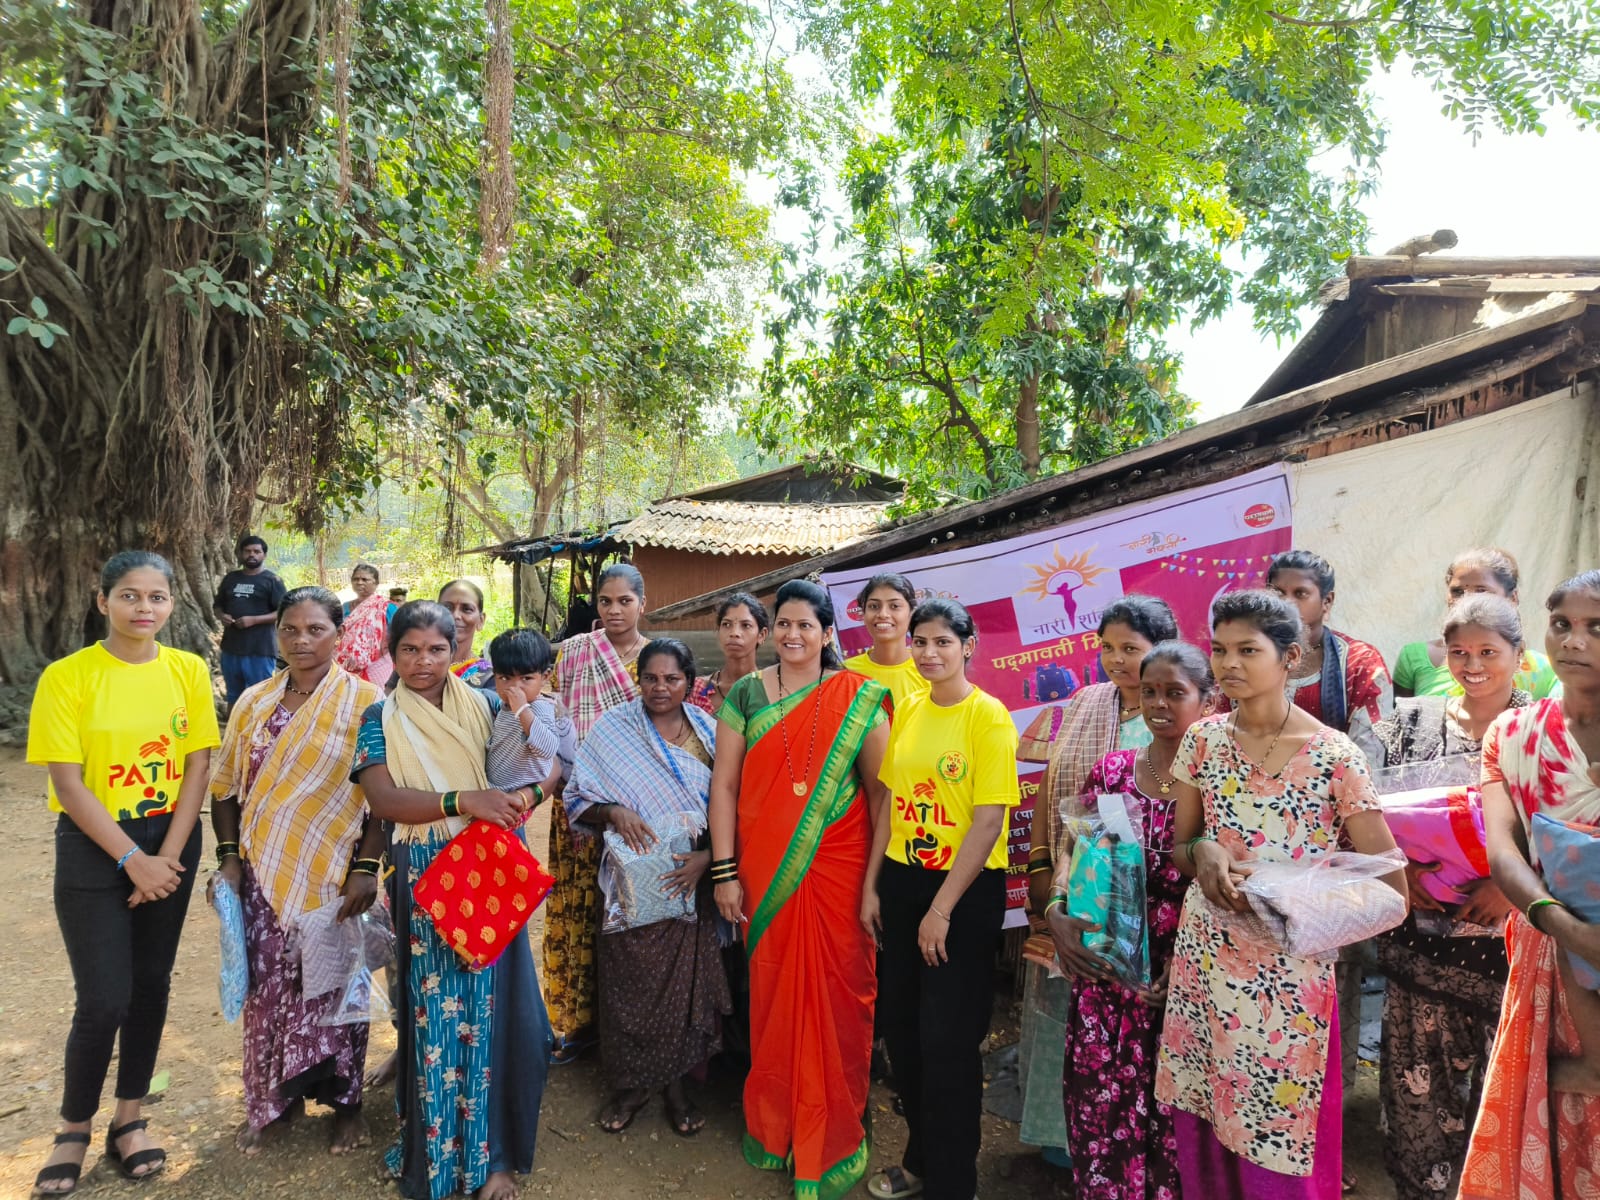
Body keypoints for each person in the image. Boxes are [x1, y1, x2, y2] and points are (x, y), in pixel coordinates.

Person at [1157, 589, 1403, 1198]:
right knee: (1210, 1109)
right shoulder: (1203, 741)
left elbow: (1390, 887)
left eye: (1248, 650)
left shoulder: (1335, 756)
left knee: (1279, 1125)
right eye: (1219, 650)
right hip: (1206, 961)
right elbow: (1180, 846)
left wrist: (1289, 896)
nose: (1228, 664)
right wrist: (1204, 853)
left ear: (1290, 658)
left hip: (1288, 977)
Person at [27, 551, 221, 1196]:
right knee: (103, 997)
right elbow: (68, 783)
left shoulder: (188, 670)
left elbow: (197, 766)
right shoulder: (67, 676)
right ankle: (73, 1128)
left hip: (170, 840)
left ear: (172, 604)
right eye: (130, 595)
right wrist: (133, 861)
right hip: (94, 844)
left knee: (149, 986)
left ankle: (129, 1118)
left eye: (157, 597)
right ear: (103, 600)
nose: (144, 608)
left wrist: (166, 856)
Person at [351, 601, 552, 1200]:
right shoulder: (379, 717)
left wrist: (523, 799)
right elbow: (383, 799)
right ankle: (438, 1158)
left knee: (505, 1012)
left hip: (490, 866)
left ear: (455, 648)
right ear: (391, 653)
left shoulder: (489, 704)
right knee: (437, 1017)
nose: (423, 662)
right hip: (425, 873)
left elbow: (550, 763)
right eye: (409, 650)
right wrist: (465, 801)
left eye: (436, 649)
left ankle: (496, 1158)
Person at [710, 579, 891, 1200]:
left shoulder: (857, 697)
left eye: (804, 625)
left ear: (827, 633)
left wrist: (873, 886)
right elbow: (724, 787)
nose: (792, 635)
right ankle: (777, 1124)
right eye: (783, 624)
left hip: (841, 870)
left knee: (839, 990)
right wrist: (725, 872)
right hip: (765, 871)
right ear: (770, 631)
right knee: (773, 990)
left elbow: (881, 796)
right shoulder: (746, 694)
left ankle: (833, 1130)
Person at [209, 587, 384, 1156]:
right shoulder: (254, 702)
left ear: (339, 633)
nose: (301, 641)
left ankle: (348, 1107)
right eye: (290, 629)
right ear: (276, 632)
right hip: (262, 875)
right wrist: (229, 860)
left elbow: (382, 797)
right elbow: (224, 789)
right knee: (267, 994)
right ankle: (272, 1104)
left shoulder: (366, 701)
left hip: (335, 876)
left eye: (315, 630)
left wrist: (365, 867)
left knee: (337, 990)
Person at [861, 599, 1017, 1200]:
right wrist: (874, 885)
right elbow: (890, 805)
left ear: (968, 646)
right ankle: (921, 1161)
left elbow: (987, 823)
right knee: (905, 1034)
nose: (928, 653)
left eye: (942, 642)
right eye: (920, 641)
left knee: (948, 1043)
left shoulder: (988, 718)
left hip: (962, 893)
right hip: (903, 882)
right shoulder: (909, 708)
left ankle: (954, 1184)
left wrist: (942, 909)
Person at [1373, 594, 1527, 1200]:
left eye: (1489, 652)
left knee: (1503, 1099)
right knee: (1418, 1099)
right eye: (1460, 652)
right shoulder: (1409, 723)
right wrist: (1401, 869)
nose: (1473, 665)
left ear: (1518, 654)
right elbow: (1364, 811)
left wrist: (1511, 886)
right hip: (1421, 948)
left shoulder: (1543, 728)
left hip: (1508, 953)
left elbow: (1575, 826)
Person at [1049, 640, 1215, 1200]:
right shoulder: (1113, 772)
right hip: (1108, 969)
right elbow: (1076, 851)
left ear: (1207, 700)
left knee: (1173, 1123)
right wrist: (1056, 911)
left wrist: (1184, 968)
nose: (1159, 704)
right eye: (1150, 692)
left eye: (1175, 692)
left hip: (1182, 975)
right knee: (1100, 1108)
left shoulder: (1219, 783)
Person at [1019, 594, 1179, 1164]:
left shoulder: (1190, 719)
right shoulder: (1088, 702)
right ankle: (1067, 1142)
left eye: (1130, 649)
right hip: (1080, 891)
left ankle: (1133, 1155)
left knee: (1139, 1028)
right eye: (1107, 647)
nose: (1116, 660)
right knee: (1071, 1013)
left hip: (1153, 908)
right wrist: (1043, 870)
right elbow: (1053, 789)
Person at [1459, 569, 1600, 1200]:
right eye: (1562, 624)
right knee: (1552, 1121)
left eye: (1596, 627)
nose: (1574, 640)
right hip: (1550, 956)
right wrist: (1567, 928)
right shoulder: (1513, 734)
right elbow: (1504, 853)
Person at [564, 639, 731, 1137]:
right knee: (627, 986)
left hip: (692, 882)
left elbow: (735, 803)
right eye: (651, 679)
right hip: (629, 888)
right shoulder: (613, 730)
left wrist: (709, 860)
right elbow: (577, 797)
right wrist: (614, 811)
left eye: (672, 679)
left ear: (689, 683)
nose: (661, 688)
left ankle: (676, 1090)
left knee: (682, 989)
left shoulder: (709, 732)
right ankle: (632, 1087)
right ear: (638, 681)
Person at [546, 562, 649, 1063]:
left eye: (624, 601)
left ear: (642, 604)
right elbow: (550, 716)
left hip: (635, 809)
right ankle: (576, 1023)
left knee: (624, 912)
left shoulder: (657, 659)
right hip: (577, 803)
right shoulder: (571, 654)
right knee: (577, 905)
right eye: (605, 601)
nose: (614, 610)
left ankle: (625, 1025)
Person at [1266, 549, 1392, 766]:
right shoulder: (1246, 656)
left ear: (1327, 601)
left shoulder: (1360, 662)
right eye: (1278, 593)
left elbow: (1369, 756)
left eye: (1300, 594)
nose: (1286, 603)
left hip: (1339, 782)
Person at [1392, 547, 1560, 700]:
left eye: (1481, 591)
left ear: (1512, 598)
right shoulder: (1414, 657)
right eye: (1457, 591)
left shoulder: (1544, 670)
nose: (1467, 599)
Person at [487, 628, 576, 789]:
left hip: (516, 791)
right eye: (505, 678)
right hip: (495, 788)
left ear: (545, 677)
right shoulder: (504, 706)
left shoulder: (539, 708)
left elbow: (548, 749)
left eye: (526, 678)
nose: (515, 687)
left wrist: (522, 710)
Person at [214, 533, 288, 706]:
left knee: (261, 697)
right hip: (231, 649)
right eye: (247, 551)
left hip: (260, 650)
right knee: (233, 696)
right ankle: (233, 724)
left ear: (264, 555)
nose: (252, 555)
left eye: (256, 551)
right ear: (241, 554)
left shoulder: (272, 581)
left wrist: (254, 620)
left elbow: (284, 612)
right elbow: (217, 606)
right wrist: (222, 616)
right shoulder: (231, 579)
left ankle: (259, 725)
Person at [845, 572, 931, 711]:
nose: (883, 614)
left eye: (894, 606)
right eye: (874, 606)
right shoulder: (845, 673)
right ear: (863, 614)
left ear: (912, 614)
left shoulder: (930, 670)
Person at [691, 592, 770, 714]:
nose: (734, 633)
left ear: (761, 635)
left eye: (746, 625)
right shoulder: (699, 690)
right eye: (726, 624)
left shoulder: (771, 690)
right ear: (718, 631)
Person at [338, 564, 397, 686]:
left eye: (365, 579)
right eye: (356, 579)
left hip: (377, 665)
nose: (359, 582)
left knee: (374, 694)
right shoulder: (345, 607)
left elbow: (399, 634)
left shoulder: (387, 607)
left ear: (375, 583)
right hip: (345, 667)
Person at [439, 579, 493, 683]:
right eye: (447, 607)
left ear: (481, 620)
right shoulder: (417, 667)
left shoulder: (489, 678)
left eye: (467, 609)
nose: (455, 615)